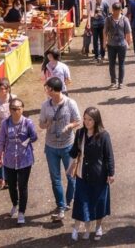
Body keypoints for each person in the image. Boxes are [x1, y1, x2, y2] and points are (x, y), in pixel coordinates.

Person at [40, 76, 82, 222]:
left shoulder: (70, 103)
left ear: (55, 90)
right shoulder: (45, 105)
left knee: (71, 176)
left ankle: (69, 200)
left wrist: (69, 126)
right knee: (55, 178)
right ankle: (61, 205)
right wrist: (47, 123)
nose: (46, 91)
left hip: (68, 146)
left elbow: (78, 120)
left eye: (48, 89)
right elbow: (41, 125)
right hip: (51, 147)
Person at [70, 107, 115, 242]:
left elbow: (109, 156)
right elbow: (73, 152)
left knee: (99, 203)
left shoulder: (103, 135)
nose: (86, 122)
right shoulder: (80, 133)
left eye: (90, 119)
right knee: (81, 202)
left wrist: (111, 173)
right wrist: (70, 139)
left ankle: (98, 227)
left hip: (99, 175)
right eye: (84, 119)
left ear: (96, 120)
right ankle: (79, 228)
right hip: (82, 174)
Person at [0, 97, 38, 225]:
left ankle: (21, 213)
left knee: (22, 186)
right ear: (9, 110)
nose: (15, 111)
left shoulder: (28, 123)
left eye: (18, 109)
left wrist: (28, 139)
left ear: (22, 109)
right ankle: (15, 204)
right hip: (9, 160)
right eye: (13, 109)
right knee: (12, 186)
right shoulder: (5, 124)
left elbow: (34, 137)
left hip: (25, 160)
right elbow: (1, 141)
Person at [104, 2, 132, 89]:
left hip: (122, 45)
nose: (116, 13)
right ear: (112, 10)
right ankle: (113, 81)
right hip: (111, 45)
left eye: (118, 11)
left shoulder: (124, 19)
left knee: (121, 64)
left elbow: (128, 32)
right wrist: (104, 42)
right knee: (111, 64)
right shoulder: (108, 19)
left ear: (121, 10)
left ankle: (120, 82)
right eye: (114, 11)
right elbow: (105, 31)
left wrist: (129, 42)